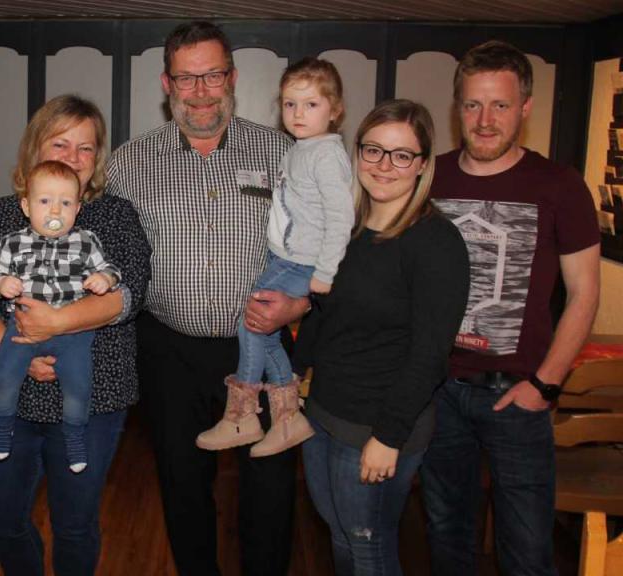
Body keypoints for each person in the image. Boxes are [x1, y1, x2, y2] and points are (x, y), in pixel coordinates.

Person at [107, 20, 309, 576]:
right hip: (169, 350)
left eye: (212, 75)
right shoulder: (129, 163)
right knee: (181, 479)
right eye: (186, 78)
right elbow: (108, 260)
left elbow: (318, 245)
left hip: (262, 347)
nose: (200, 92)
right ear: (166, 84)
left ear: (233, 77)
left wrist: (300, 305)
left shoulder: (283, 154)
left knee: (270, 485)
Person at [421, 40, 600, 575]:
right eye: (473, 104)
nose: (485, 120)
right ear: (457, 107)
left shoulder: (560, 185)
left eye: (500, 105)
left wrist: (545, 385)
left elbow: (585, 294)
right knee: (446, 535)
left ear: (525, 107)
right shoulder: (428, 176)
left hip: (518, 395)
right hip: (438, 390)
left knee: (527, 549)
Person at [0, 94, 151, 576]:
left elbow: (129, 294)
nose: (73, 156)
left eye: (86, 147)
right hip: (9, 383)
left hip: (94, 394)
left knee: (74, 524)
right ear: (35, 148)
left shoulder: (115, 216)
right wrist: (18, 349)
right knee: (0, 515)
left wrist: (57, 324)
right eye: (60, 143)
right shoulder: (0, 215)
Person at [294, 99, 469, 575]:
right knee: (340, 535)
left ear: (423, 164)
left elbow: (430, 354)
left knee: (368, 546)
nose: (384, 165)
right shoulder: (346, 229)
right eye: (373, 150)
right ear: (357, 152)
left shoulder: (435, 241)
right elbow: (322, 314)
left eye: (402, 155)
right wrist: (292, 373)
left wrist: (388, 437)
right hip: (323, 412)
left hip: (379, 425)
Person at [197, 56, 353, 457]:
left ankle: (241, 414)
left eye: (311, 104)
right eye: (290, 104)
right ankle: (287, 419)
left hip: (303, 261)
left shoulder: (326, 154)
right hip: (283, 257)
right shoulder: (299, 149)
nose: (298, 113)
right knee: (264, 333)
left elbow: (341, 217)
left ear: (335, 110)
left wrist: (325, 274)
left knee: (251, 323)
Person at [0, 160, 121, 472]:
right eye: (45, 201)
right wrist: (2, 284)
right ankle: (2, 429)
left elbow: (112, 270)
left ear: (77, 208)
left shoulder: (86, 241)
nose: (55, 211)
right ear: (26, 206)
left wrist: (104, 280)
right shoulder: (13, 242)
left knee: (78, 387)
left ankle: (75, 437)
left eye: (65, 203)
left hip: (73, 335)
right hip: (21, 330)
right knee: (4, 379)